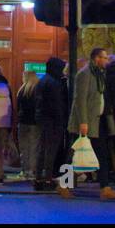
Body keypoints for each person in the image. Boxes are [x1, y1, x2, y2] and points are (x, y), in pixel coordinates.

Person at [68, 47, 115, 200]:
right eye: (104, 58)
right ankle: (63, 184)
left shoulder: (99, 74)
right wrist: (83, 121)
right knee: (75, 154)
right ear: (96, 58)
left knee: (102, 154)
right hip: (87, 121)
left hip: (99, 119)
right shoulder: (85, 74)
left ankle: (105, 188)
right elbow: (80, 99)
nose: (106, 61)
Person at [35, 57, 68, 195]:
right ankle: (48, 179)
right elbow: (57, 105)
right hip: (53, 121)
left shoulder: (43, 80)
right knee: (50, 151)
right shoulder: (54, 83)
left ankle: (39, 178)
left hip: (43, 120)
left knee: (42, 150)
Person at [16, 71, 40, 183]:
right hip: (35, 123)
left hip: (23, 122)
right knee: (34, 147)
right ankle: (32, 170)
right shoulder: (38, 90)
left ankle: (25, 170)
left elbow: (18, 107)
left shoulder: (22, 90)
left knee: (24, 147)